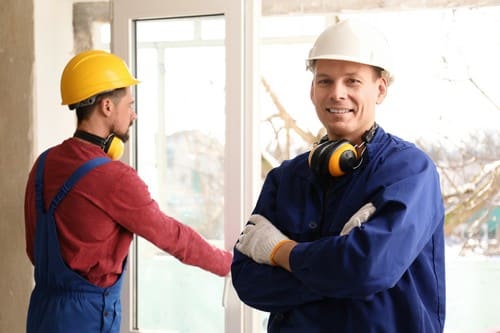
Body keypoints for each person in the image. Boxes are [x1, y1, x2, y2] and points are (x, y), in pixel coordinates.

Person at [231, 19, 445, 332]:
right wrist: (340, 267)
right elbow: (248, 280)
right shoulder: (287, 178)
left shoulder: (410, 172)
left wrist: (279, 251)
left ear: (380, 89)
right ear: (312, 90)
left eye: (352, 82)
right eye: (325, 81)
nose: (337, 93)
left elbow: (369, 269)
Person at [24, 49, 232, 333]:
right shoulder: (114, 178)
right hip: (87, 318)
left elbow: (35, 250)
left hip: (42, 313)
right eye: (129, 104)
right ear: (107, 106)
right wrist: (228, 264)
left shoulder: (44, 162)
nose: (133, 114)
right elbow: (172, 236)